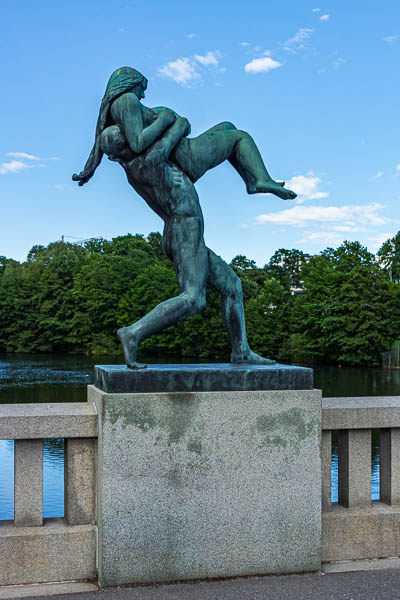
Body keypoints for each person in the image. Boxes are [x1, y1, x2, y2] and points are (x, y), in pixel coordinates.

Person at [73, 67, 297, 368]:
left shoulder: (139, 165)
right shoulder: (146, 163)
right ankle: (133, 333)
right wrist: (171, 121)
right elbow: (163, 137)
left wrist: (171, 124)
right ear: (122, 146)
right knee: (193, 298)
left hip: (180, 230)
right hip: (184, 227)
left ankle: (240, 350)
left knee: (232, 285)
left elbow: (167, 136)